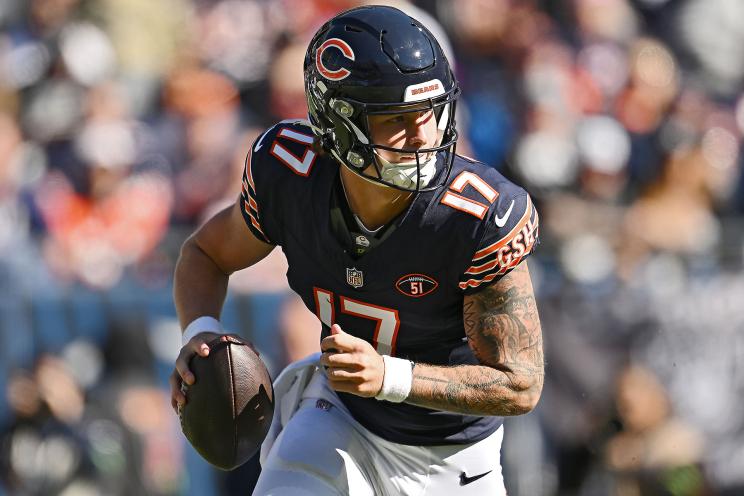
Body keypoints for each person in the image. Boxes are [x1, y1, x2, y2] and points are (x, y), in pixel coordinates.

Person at [169, 5, 544, 495]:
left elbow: (520, 382)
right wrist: (200, 331)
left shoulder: (473, 217)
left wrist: (391, 376)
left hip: (451, 459)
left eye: (430, 113)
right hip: (339, 420)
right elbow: (205, 254)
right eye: (398, 118)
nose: (423, 135)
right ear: (338, 125)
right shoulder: (290, 176)